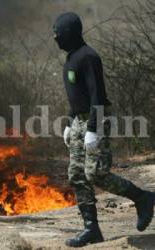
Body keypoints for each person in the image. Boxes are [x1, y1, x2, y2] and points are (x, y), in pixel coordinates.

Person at [53, 12, 155, 248]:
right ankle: (92, 230)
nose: (55, 38)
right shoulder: (71, 58)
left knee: (96, 173)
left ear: (69, 34)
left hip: (94, 120)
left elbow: (97, 95)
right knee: (77, 175)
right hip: (79, 121)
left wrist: (93, 129)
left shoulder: (88, 57)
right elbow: (78, 97)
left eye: (58, 34)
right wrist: (70, 123)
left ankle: (143, 198)